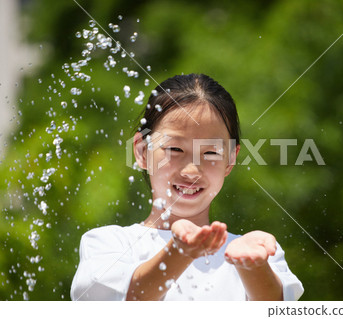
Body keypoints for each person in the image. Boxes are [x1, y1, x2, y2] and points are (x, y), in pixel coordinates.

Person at [70, 73, 304, 301]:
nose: (191, 171)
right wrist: (180, 252)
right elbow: (120, 302)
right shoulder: (108, 244)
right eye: (175, 149)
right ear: (142, 151)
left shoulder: (255, 252)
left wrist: (253, 267)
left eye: (211, 152)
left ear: (230, 159)